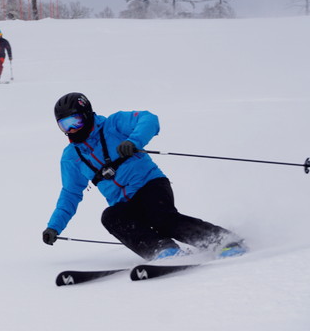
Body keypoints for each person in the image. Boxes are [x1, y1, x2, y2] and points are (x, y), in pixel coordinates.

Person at [42, 92, 247, 261]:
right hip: (125, 202)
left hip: (150, 184)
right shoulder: (72, 157)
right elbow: (70, 193)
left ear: (86, 115)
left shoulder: (113, 125)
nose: (71, 130)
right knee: (111, 217)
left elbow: (148, 119)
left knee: (160, 217)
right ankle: (163, 251)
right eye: (64, 125)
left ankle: (224, 240)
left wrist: (134, 141)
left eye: (75, 122)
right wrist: (54, 226)